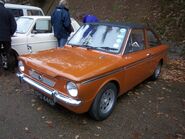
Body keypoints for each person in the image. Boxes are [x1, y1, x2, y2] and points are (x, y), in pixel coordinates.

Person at [0, 0, 17, 70]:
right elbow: (14, 26)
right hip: (6, 36)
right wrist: (10, 33)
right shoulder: (8, 12)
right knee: (8, 53)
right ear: (3, 4)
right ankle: (11, 69)